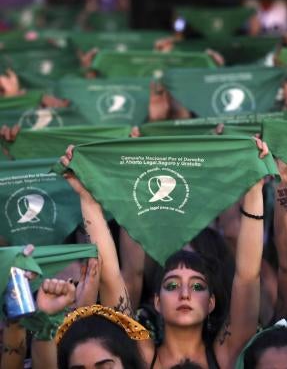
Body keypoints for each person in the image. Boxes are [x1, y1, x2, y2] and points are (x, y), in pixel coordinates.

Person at [60, 137, 269, 368]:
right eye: (172, 285)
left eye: (198, 286)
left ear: (211, 303)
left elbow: (248, 277)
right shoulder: (141, 353)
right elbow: (111, 277)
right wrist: (87, 198)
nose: (185, 294)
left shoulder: (226, 355)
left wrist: (253, 190)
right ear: (157, 302)